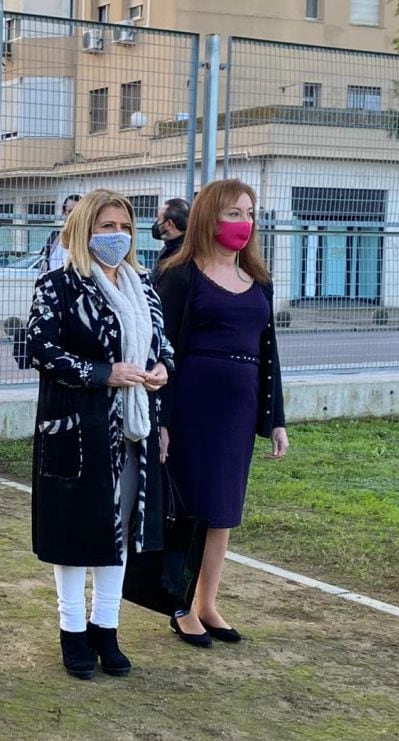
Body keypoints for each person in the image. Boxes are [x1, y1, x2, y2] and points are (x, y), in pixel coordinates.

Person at [26, 189, 172, 679]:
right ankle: (72, 632)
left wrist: (161, 368)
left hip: (134, 429)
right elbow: (41, 349)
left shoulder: (141, 284)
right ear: (84, 229)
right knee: (74, 531)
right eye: (106, 227)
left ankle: (105, 628)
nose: (117, 236)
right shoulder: (58, 285)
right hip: (77, 428)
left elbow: (163, 342)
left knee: (119, 532)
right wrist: (101, 372)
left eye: (124, 227)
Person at [154, 178, 288, 648]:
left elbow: (268, 353)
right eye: (234, 213)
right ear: (210, 217)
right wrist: (163, 419)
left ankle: (208, 603)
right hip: (193, 408)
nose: (244, 223)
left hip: (238, 409)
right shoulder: (179, 274)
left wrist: (275, 418)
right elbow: (162, 350)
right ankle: (181, 605)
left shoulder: (260, 283)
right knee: (191, 509)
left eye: (250, 213)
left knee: (223, 512)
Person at [40, 194, 82, 273]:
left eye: (78, 211)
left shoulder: (88, 236)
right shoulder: (55, 235)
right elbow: (46, 258)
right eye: (70, 211)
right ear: (64, 212)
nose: (74, 215)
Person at [153, 197, 189, 271]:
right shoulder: (171, 246)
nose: (156, 223)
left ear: (169, 224)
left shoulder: (179, 259)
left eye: (159, 219)